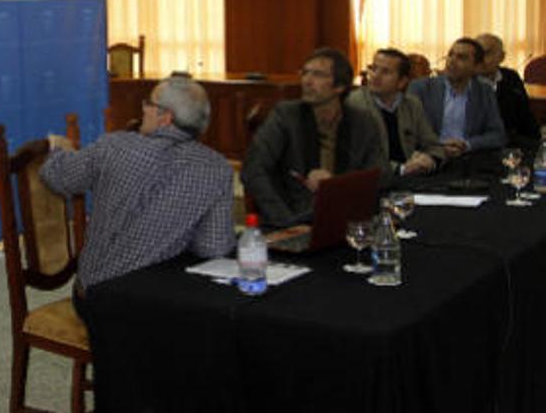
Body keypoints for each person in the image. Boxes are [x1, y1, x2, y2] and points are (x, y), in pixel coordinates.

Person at [39, 77, 234, 299]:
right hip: (161, 304)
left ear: (165, 117)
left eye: (149, 103)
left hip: (98, 295)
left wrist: (58, 150)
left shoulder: (115, 147)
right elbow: (213, 247)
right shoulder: (217, 168)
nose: (143, 108)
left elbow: (58, 177)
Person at [242, 48, 381, 228]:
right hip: (293, 216)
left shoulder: (362, 121)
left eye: (318, 75)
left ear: (339, 86)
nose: (307, 81)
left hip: (346, 219)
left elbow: (377, 174)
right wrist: (286, 221)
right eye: (305, 73)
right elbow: (253, 170)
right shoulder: (286, 115)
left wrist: (334, 185)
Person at [344, 48, 445, 182]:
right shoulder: (355, 104)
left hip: (412, 180)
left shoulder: (412, 104)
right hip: (374, 182)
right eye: (373, 69)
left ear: (402, 81)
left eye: (385, 72)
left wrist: (430, 160)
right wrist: (401, 169)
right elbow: (361, 159)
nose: (375, 76)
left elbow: (434, 145)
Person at [408, 37, 506, 158]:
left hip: (468, 157)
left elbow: (497, 135)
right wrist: (440, 146)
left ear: (477, 67)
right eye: (450, 55)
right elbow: (408, 132)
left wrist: (466, 145)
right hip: (429, 157)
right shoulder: (421, 88)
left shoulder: (484, 91)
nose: (452, 61)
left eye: (461, 57)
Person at [474, 33, 540, 151]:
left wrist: (537, 142)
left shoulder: (511, 77)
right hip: (480, 147)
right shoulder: (465, 80)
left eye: (487, 53)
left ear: (502, 57)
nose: (481, 59)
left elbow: (525, 115)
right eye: (477, 54)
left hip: (514, 143)